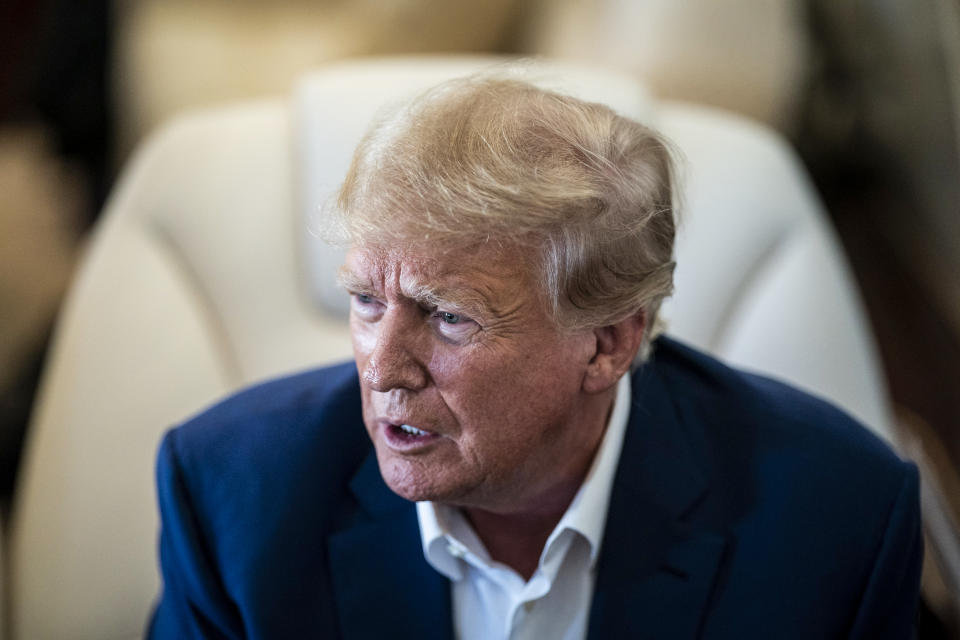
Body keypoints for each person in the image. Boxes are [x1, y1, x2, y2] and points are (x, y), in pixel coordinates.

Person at [147, 75, 922, 639]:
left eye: (450, 317)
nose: (382, 370)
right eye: (365, 302)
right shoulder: (230, 495)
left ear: (609, 343)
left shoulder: (837, 521)